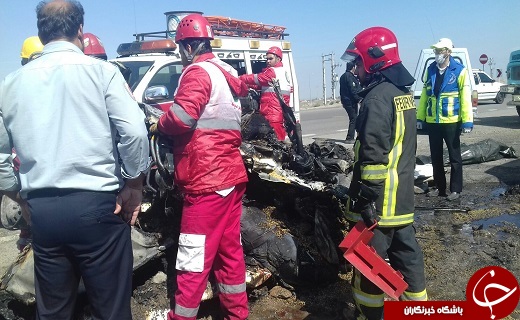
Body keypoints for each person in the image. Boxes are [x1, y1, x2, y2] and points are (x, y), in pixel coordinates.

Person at [0, 1, 150, 319]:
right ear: (80, 29)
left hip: (43, 214)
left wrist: (17, 195)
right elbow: (135, 132)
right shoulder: (103, 74)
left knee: (53, 311)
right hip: (98, 209)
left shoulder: (10, 84)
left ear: (41, 33)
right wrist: (134, 184)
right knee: (110, 311)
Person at [150, 13, 249, 320]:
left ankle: (182, 316)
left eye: (180, 48)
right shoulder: (225, 72)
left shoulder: (196, 72)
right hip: (230, 178)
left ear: (188, 47)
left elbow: (181, 118)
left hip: (206, 182)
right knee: (229, 254)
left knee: (192, 260)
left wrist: (158, 126)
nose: (181, 55)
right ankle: (237, 315)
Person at [342, 26, 428, 320]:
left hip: (379, 209)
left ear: (373, 60)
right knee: (409, 260)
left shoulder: (377, 99)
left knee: (369, 267)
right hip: (402, 203)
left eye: (357, 61)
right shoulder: (401, 95)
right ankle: (418, 310)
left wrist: (365, 199)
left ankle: (371, 314)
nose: (355, 68)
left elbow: (373, 157)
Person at [417, 38, 473, 202]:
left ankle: (455, 189)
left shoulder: (459, 71)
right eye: (436, 51)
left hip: (451, 121)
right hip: (433, 121)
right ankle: (439, 187)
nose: (437, 54)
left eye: (440, 51)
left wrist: (467, 121)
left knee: (455, 157)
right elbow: (425, 96)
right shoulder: (431, 70)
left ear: (448, 52)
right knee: (435, 156)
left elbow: (465, 98)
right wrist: (420, 117)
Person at [240, 46, 291, 141]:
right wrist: (249, 85)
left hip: (272, 113)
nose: (267, 61)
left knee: (276, 141)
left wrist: (241, 78)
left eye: (270, 58)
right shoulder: (282, 72)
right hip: (277, 113)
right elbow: (263, 85)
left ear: (278, 59)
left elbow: (259, 78)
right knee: (279, 140)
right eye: (266, 59)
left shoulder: (273, 71)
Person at [339, 60, 362, 143]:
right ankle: (349, 138)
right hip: (350, 101)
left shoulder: (342, 76)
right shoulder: (349, 77)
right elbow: (353, 90)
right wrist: (358, 99)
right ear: (353, 68)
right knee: (354, 118)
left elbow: (341, 91)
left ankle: (359, 134)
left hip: (346, 101)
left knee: (354, 118)